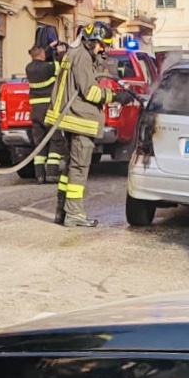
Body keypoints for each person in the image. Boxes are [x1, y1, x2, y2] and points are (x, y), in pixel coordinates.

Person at [45, 21, 136, 227]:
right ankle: (74, 213)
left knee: (70, 167)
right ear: (93, 40)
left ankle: (63, 211)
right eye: (102, 45)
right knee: (79, 167)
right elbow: (91, 92)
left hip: (72, 117)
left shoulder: (76, 53)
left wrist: (100, 59)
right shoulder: (83, 57)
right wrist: (116, 97)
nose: (103, 49)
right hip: (80, 119)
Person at [25, 46, 66, 183]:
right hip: (49, 108)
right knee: (55, 139)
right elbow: (61, 65)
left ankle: (40, 175)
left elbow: (41, 59)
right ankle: (52, 173)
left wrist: (48, 48)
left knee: (39, 142)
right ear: (42, 55)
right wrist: (60, 52)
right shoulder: (48, 67)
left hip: (35, 110)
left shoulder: (29, 68)